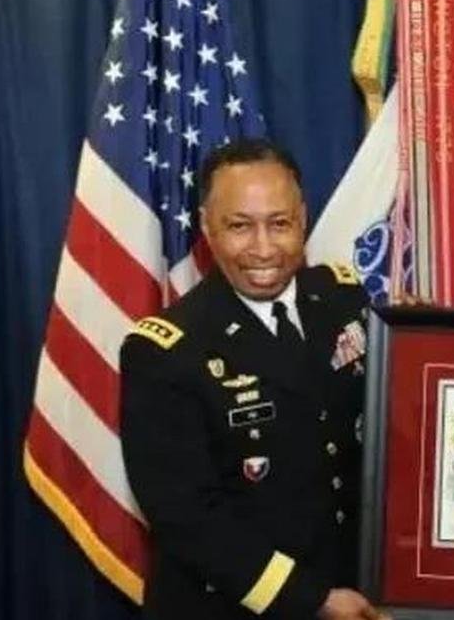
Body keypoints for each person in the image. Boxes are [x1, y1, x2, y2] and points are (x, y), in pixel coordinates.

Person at [119, 139, 383, 619]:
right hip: (234, 605)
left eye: (279, 223)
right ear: (207, 227)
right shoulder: (166, 351)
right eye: (239, 226)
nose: (263, 249)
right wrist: (312, 600)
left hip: (349, 590)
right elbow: (187, 516)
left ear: (303, 218)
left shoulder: (343, 298)